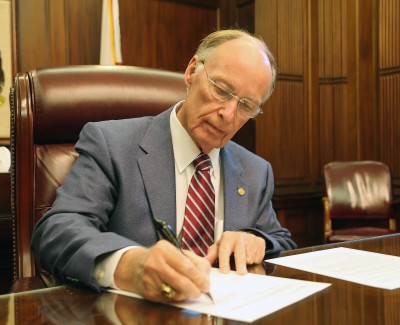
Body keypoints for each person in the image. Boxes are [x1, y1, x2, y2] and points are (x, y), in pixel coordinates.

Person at [31, 28, 296, 303]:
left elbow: (281, 240)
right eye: (221, 90)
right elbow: (57, 230)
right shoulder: (112, 145)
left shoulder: (255, 171)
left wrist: (255, 240)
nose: (228, 115)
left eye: (246, 106)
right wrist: (130, 265)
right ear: (192, 71)